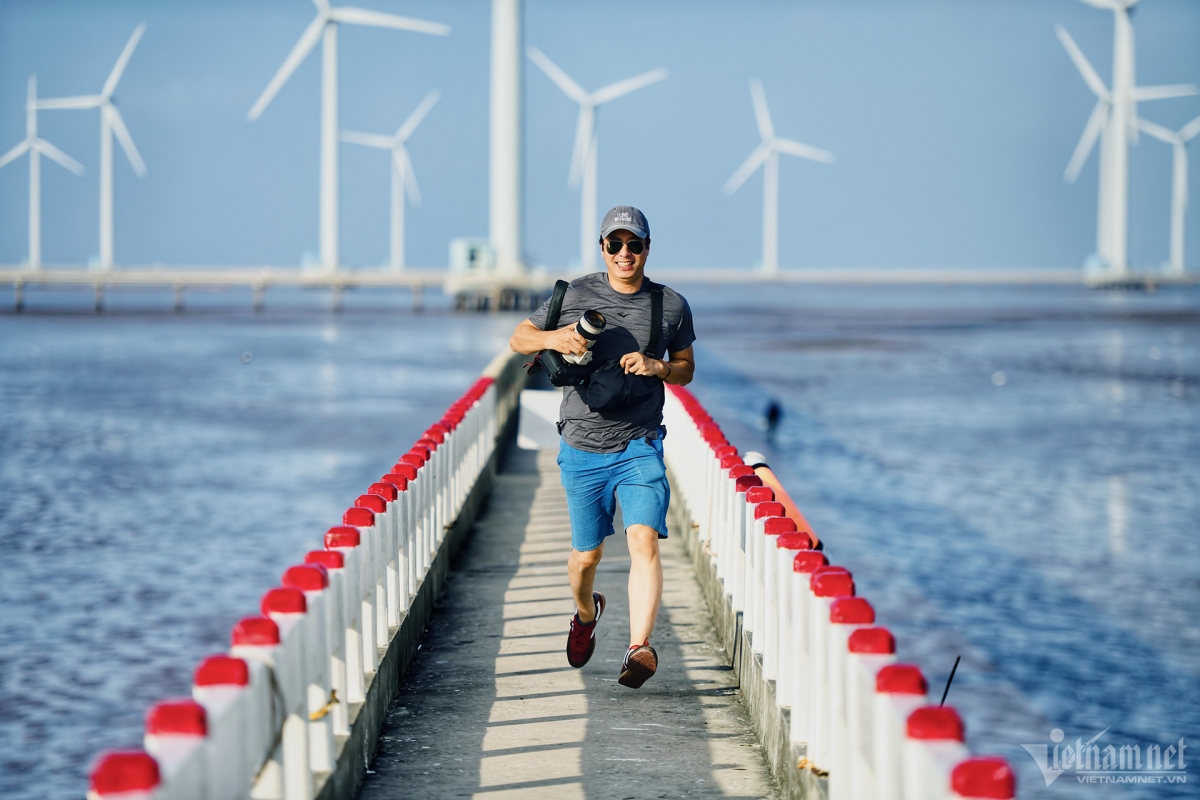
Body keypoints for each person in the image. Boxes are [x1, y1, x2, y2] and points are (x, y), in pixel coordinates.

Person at [508, 206, 696, 688]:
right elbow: (519, 338)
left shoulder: (670, 305)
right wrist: (559, 338)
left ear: (648, 249)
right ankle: (585, 614)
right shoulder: (574, 293)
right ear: (603, 248)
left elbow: (686, 367)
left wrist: (658, 369)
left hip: (641, 442)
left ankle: (639, 647)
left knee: (643, 540)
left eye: (634, 245)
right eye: (615, 244)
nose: (625, 253)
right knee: (585, 558)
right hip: (582, 446)